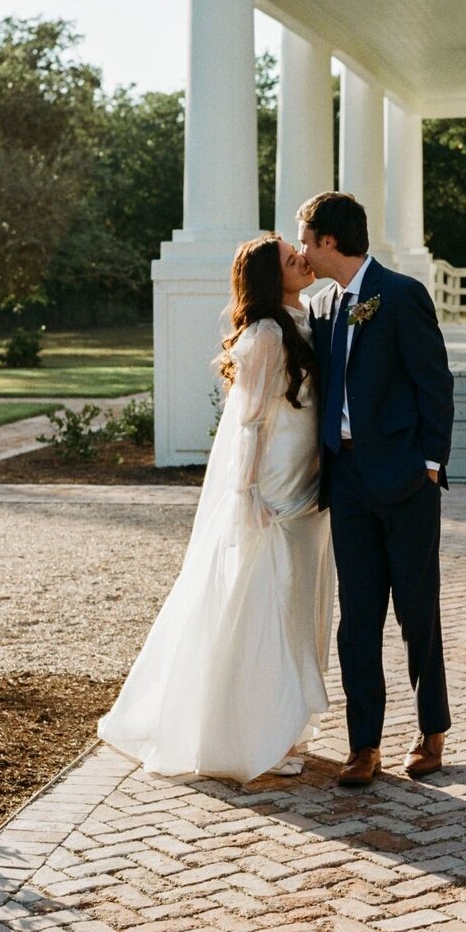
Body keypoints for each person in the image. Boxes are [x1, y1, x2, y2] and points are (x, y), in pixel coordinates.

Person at [96, 235, 333, 784]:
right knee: (263, 601)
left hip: (307, 482)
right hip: (273, 485)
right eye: (289, 258)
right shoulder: (269, 333)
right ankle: (252, 734)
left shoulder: (304, 319)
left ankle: (286, 719)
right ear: (273, 278)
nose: (301, 257)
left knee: (295, 602)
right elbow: (249, 422)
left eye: (298, 252)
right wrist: (247, 492)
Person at [297, 192, 454, 787]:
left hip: (408, 481)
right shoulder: (322, 307)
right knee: (356, 619)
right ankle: (364, 746)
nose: (304, 251)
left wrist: (431, 465)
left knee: (418, 614)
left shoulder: (402, 295)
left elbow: (434, 385)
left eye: (308, 240)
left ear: (330, 242)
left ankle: (431, 730)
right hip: (350, 482)